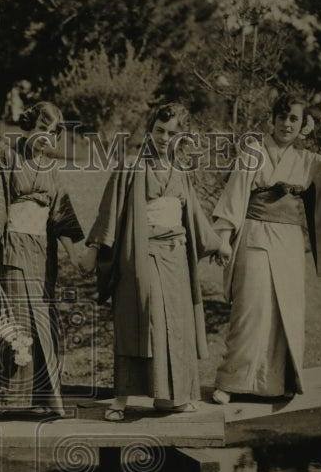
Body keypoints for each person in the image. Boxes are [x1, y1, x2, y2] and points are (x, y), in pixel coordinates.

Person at [80, 102, 231, 421]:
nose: (165, 138)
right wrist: (94, 248)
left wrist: (217, 244)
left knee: (176, 325)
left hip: (175, 255)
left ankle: (168, 397)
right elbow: (110, 211)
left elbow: (193, 215)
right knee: (139, 319)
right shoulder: (132, 166)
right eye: (159, 130)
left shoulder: (181, 172)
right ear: (149, 130)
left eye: (173, 133)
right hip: (141, 254)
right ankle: (120, 399)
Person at [211, 93, 321, 404]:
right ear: (273, 119)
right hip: (254, 235)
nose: (286, 123)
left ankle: (272, 385)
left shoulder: (305, 161)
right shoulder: (253, 151)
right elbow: (235, 194)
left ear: (302, 124)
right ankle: (230, 382)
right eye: (282, 117)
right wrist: (223, 237)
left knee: (285, 314)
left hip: (289, 243)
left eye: (294, 118)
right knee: (250, 310)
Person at [0, 102, 84, 427]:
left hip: (42, 254)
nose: (45, 138)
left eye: (51, 133)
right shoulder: (6, 158)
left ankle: (41, 400)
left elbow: (62, 218)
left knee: (42, 326)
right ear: (27, 127)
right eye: (40, 130)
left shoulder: (51, 168)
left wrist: (77, 256)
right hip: (11, 250)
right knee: (11, 324)